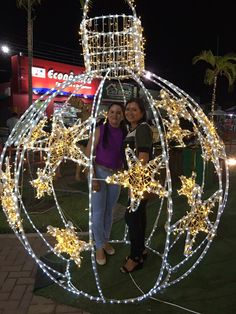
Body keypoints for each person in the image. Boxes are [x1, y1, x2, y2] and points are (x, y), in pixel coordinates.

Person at [86, 103, 126, 265]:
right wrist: (93, 177)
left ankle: (105, 240)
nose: (115, 115)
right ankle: (99, 247)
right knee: (98, 211)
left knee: (109, 210)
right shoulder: (100, 130)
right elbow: (88, 154)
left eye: (118, 113)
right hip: (99, 173)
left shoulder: (125, 132)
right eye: (112, 112)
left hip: (116, 175)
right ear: (107, 114)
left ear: (122, 116)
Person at [120, 98, 153, 273]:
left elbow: (143, 157)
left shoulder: (142, 129)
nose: (130, 112)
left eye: (134, 109)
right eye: (128, 109)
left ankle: (135, 258)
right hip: (135, 181)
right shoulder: (131, 129)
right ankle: (141, 250)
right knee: (138, 217)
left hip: (138, 181)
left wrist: (135, 180)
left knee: (131, 218)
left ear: (142, 112)